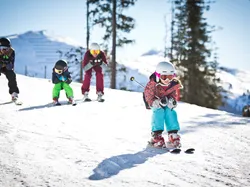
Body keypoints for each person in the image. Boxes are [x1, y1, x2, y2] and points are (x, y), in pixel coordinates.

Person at [144, 61, 183, 148]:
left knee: (170, 111)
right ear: (158, 75)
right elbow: (148, 96)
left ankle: (173, 133)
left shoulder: (172, 84)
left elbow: (173, 95)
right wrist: (154, 102)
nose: (167, 80)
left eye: (170, 76)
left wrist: (172, 101)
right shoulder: (152, 84)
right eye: (164, 77)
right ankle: (156, 135)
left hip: (166, 102)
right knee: (159, 111)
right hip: (156, 104)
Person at [0, 37, 20, 102]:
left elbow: (10, 65)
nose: (4, 50)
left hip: (6, 67)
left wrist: (6, 61)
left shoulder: (11, 52)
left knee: (11, 75)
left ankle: (14, 93)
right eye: (2, 48)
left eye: (6, 48)